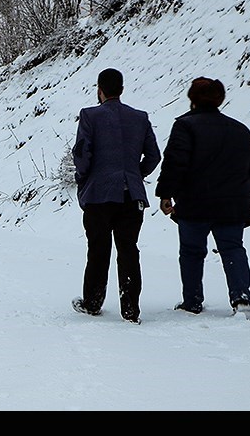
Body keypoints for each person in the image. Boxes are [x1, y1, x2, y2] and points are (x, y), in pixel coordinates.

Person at [155, 77, 250, 319]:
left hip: (195, 203)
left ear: (192, 99)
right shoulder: (240, 129)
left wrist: (165, 194)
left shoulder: (185, 126)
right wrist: (244, 193)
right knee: (233, 248)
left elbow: (175, 162)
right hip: (233, 204)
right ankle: (241, 298)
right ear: (220, 99)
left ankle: (192, 301)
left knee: (192, 252)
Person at [71, 68, 161, 324]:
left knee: (98, 248)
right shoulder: (140, 118)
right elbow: (154, 156)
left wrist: (83, 177)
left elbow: (82, 153)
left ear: (100, 90)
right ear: (121, 89)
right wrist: (134, 174)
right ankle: (131, 308)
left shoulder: (89, 116)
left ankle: (93, 302)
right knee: (129, 249)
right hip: (131, 196)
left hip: (99, 195)